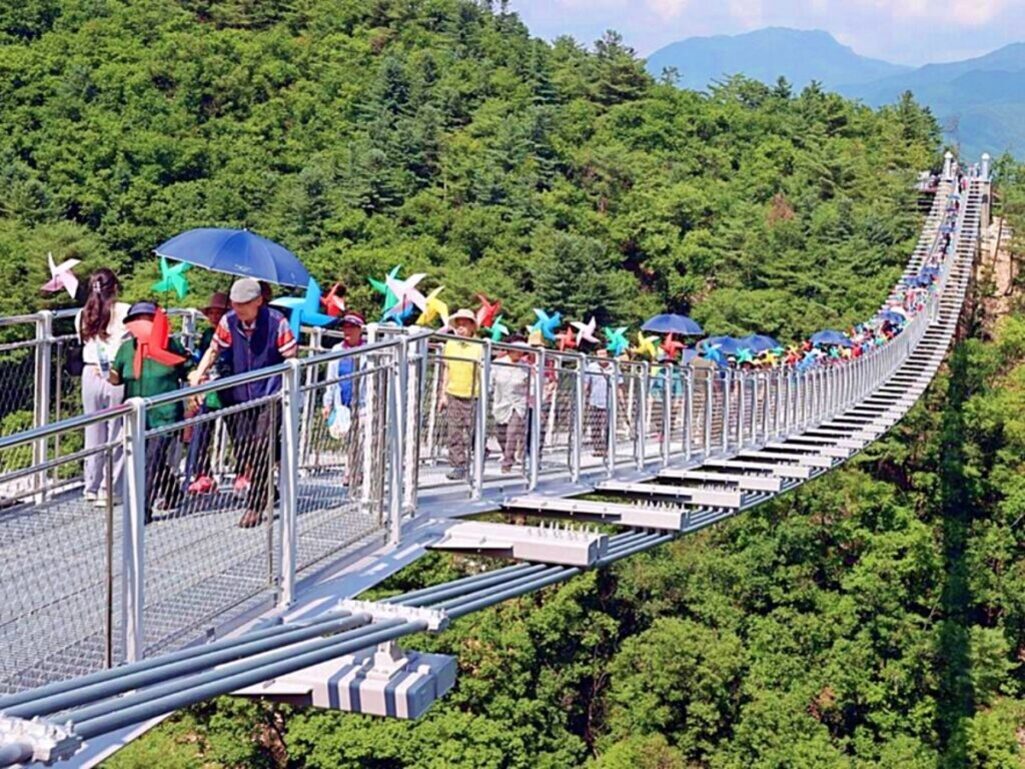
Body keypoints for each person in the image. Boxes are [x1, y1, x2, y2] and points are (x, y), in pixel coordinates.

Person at [189, 278, 297, 528]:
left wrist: (285, 388)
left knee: (261, 446)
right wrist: (198, 375)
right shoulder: (229, 321)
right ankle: (269, 489)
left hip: (270, 393)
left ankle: (256, 504)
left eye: (244, 305)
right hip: (238, 394)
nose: (238, 310)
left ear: (258, 302)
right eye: (235, 305)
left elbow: (292, 357)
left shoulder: (276, 322)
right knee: (246, 449)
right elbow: (214, 349)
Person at [110, 302, 191, 521]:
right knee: (143, 457)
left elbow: (187, 370)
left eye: (148, 319)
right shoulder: (127, 349)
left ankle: (141, 508)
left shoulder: (171, 345)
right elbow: (116, 378)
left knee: (151, 458)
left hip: (164, 411)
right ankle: (172, 490)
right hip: (136, 414)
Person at [75, 268, 129, 507]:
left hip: (90, 374)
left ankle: (91, 486)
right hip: (114, 374)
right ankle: (110, 489)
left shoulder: (82, 315)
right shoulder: (124, 311)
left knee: (93, 431)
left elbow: (83, 342)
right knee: (116, 432)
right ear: (114, 288)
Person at [183, 292, 230, 495]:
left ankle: (246, 472)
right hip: (208, 386)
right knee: (200, 432)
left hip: (228, 385)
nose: (214, 316)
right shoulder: (208, 335)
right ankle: (201, 473)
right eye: (212, 312)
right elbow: (204, 357)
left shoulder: (232, 333)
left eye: (219, 312)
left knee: (238, 431)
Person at [322, 311, 366, 488]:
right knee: (350, 439)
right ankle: (352, 470)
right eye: (345, 327)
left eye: (351, 327)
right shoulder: (337, 350)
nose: (347, 331)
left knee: (362, 438)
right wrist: (328, 403)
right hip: (343, 404)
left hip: (363, 402)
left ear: (359, 329)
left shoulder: (369, 349)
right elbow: (331, 379)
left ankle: (356, 472)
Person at [439, 309, 483, 481]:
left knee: (473, 431)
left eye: (465, 324)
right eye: (458, 324)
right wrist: (442, 394)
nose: (461, 328)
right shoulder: (450, 344)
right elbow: (446, 370)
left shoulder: (480, 346)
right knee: (454, 432)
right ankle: (458, 465)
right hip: (454, 392)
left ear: (472, 327)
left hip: (474, 394)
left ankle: (479, 456)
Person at [490, 338, 529, 473]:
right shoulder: (498, 364)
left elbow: (531, 384)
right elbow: (491, 381)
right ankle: (508, 454)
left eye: (522, 351)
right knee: (501, 433)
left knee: (512, 433)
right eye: (517, 350)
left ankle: (507, 463)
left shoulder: (526, 367)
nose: (519, 353)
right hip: (501, 402)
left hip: (518, 403)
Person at [584, 348, 612, 457]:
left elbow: (619, 385)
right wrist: (583, 396)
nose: (602, 356)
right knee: (595, 425)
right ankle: (597, 448)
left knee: (606, 425)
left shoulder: (613, 367)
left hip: (608, 401)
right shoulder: (591, 367)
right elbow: (586, 382)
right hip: (594, 400)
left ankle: (605, 448)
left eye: (603, 354)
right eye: (599, 354)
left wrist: (621, 400)